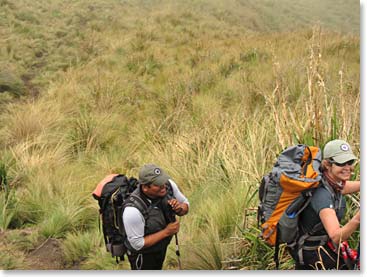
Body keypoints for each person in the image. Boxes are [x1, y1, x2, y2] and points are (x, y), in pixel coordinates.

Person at [290, 139, 360, 270]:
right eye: (341, 163)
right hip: (314, 258)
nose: (348, 168)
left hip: (323, 249)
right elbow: (335, 236)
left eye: (350, 162)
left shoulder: (333, 183)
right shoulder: (322, 195)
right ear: (328, 164)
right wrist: (358, 218)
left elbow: (345, 188)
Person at [122, 163, 189, 270]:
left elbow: (186, 204)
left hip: (160, 248)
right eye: (157, 184)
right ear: (145, 188)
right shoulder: (132, 211)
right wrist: (167, 232)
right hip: (143, 257)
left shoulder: (168, 185)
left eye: (163, 181)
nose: (163, 186)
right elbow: (137, 244)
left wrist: (179, 208)